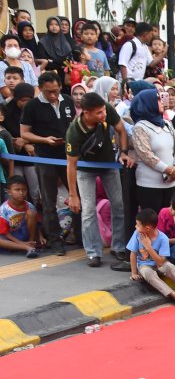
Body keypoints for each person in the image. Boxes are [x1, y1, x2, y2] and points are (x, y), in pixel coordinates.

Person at [64, 91, 132, 270]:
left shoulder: (107, 109)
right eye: (99, 113)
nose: (104, 115)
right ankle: (93, 251)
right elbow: (71, 165)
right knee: (88, 210)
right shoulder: (74, 131)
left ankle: (118, 247)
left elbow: (121, 129)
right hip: (85, 170)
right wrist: (73, 195)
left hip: (109, 165)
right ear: (86, 113)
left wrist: (123, 152)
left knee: (118, 205)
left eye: (104, 111)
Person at [19, 71, 77, 254]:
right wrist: (44, 140)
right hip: (45, 156)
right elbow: (24, 133)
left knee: (77, 196)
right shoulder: (32, 106)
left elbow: (74, 124)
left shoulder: (67, 100)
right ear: (41, 89)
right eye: (48, 92)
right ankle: (55, 239)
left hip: (68, 156)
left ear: (60, 86)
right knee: (49, 199)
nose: (52, 95)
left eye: (55, 91)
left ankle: (80, 236)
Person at [127, 207, 175, 306]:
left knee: (170, 267)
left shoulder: (163, 238)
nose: (135, 227)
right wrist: (134, 272)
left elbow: (161, 262)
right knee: (147, 272)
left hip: (159, 264)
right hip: (145, 265)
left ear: (147, 228)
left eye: (138, 225)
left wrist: (148, 247)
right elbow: (133, 253)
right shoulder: (137, 234)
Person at [128, 88, 175, 213]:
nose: (162, 101)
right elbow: (146, 154)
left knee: (169, 220)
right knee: (152, 223)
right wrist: (169, 170)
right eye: (158, 99)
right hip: (149, 185)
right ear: (148, 103)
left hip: (171, 182)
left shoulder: (167, 124)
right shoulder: (140, 127)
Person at [0, 176, 41, 256]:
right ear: (9, 192)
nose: (21, 193)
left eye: (24, 190)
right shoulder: (3, 209)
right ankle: (27, 248)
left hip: (26, 235)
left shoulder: (29, 205)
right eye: (17, 190)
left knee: (31, 213)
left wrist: (40, 236)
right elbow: (5, 233)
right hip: (11, 238)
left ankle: (31, 243)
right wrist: (21, 243)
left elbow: (37, 224)